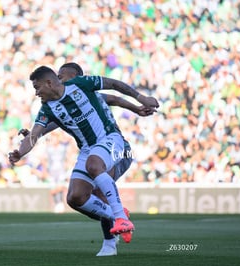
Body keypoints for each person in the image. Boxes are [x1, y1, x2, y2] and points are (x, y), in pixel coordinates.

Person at [9, 65, 159, 255]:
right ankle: (116, 216)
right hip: (89, 149)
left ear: (52, 82)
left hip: (113, 141)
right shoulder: (48, 108)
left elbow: (113, 90)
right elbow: (39, 131)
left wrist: (140, 101)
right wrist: (20, 152)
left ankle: (113, 235)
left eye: (38, 87)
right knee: (75, 197)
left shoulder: (82, 86)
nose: (37, 92)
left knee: (97, 176)